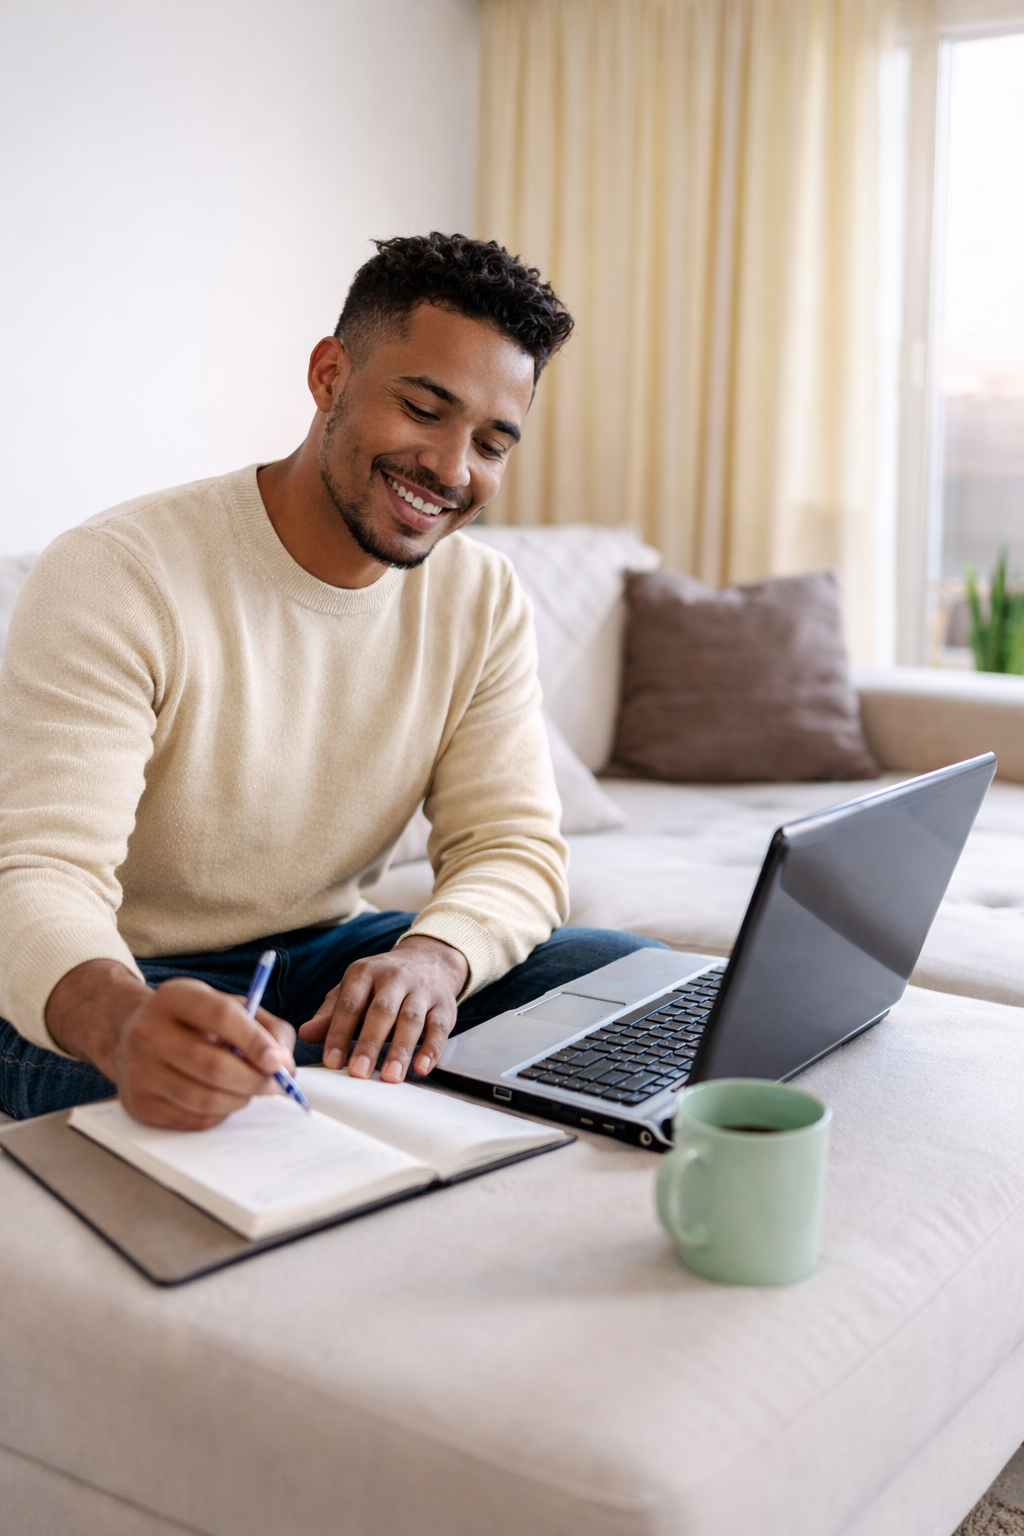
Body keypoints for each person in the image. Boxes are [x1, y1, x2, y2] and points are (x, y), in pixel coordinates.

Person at [0, 232, 660, 1129]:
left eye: (492, 443)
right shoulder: (117, 573)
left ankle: (343, 1086)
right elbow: (38, 873)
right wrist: (121, 1025)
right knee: (253, 1088)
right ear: (328, 376)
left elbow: (512, 848)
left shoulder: (481, 594)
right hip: (111, 972)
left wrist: (436, 958)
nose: (452, 470)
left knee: (634, 983)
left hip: (320, 955)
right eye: (425, 410)